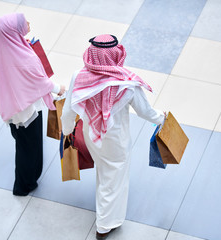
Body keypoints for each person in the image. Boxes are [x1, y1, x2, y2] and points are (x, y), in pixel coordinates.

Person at [61, 34, 165, 240]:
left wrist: (66, 132)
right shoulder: (126, 81)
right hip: (116, 141)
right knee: (114, 180)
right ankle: (105, 225)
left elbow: (67, 112)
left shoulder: (79, 75)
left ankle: (105, 213)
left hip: (91, 136)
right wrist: (162, 118)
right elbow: (146, 112)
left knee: (104, 171)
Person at [0, 13, 65, 196]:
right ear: (12, 31)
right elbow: (38, 81)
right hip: (26, 110)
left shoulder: (1, 46)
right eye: (23, 23)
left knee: (25, 143)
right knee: (29, 147)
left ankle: (29, 178)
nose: (28, 23)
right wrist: (58, 88)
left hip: (14, 108)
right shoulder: (23, 57)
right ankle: (23, 185)